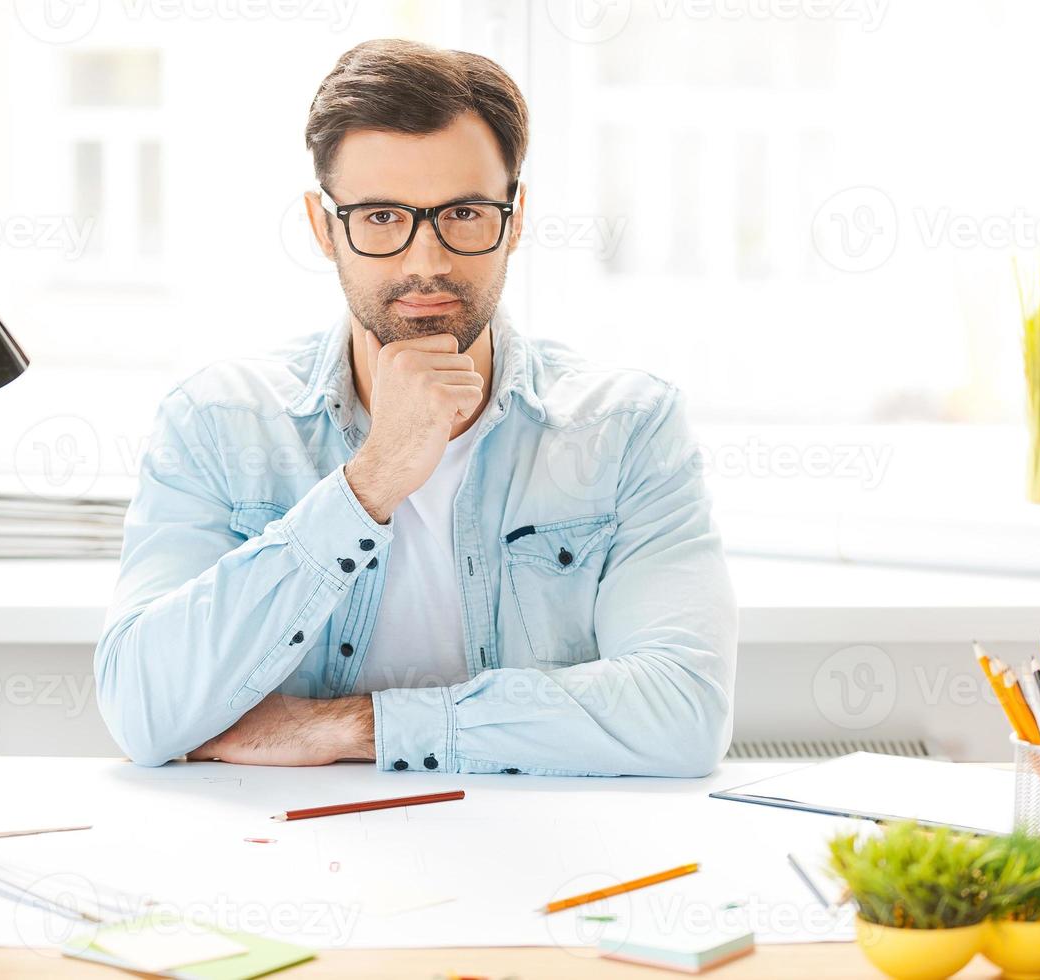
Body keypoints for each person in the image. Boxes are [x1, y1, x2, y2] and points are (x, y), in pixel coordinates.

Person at [94, 38, 737, 777]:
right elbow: (143, 711)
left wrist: (356, 728)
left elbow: (684, 714)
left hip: (543, 857)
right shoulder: (215, 421)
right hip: (289, 854)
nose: (424, 260)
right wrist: (369, 482)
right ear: (322, 226)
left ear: (516, 216)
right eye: (378, 217)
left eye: (463, 213)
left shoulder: (626, 426)